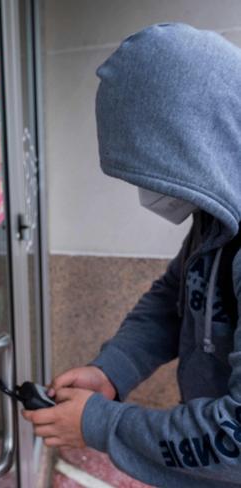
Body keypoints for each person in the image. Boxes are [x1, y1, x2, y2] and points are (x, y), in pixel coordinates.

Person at [22, 23, 241, 487]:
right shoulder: (219, 217)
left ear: (198, 143)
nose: (152, 192)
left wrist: (100, 424)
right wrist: (112, 371)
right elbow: (175, 299)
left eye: (160, 171)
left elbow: (235, 438)